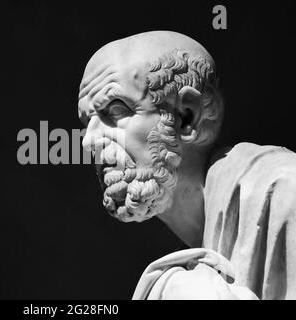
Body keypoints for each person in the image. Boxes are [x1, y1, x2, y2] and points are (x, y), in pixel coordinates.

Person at [78, 31, 296, 299]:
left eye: (116, 110)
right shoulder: (198, 261)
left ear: (185, 117)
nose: (89, 141)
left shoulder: (285, 189)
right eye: (87, 122)